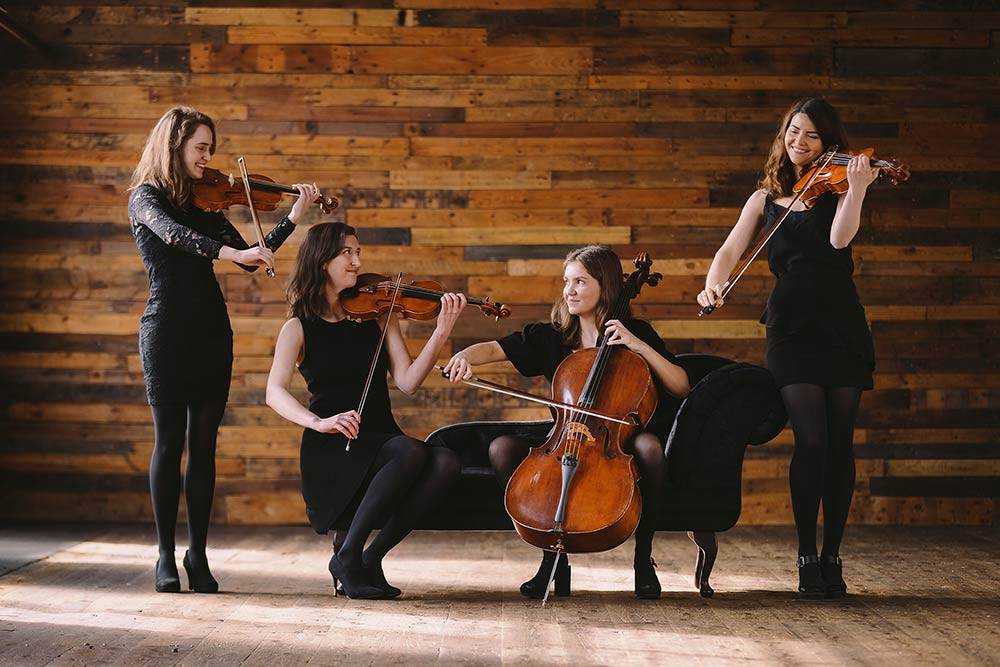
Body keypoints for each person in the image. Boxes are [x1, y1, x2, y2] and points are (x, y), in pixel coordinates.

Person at [129, 105, 318, 593]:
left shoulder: (209, 201)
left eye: (210, 149)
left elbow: (253, 259)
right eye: (200, 148)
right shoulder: (146, 198)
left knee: (205, 445)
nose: (207, 158)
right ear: (174, 146)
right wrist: (232, 252)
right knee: (169, 442)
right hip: (166, 331)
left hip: (212, 330)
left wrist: (292, 218)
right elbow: (176, 235)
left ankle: (198, 553)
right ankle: (164, 555)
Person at [696, 98, 878, 599]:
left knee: (839, 443)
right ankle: (805, 554)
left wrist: (857, 189)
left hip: (841, 325)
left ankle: (832, 554)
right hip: (790, 328)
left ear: (829, 144)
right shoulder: (764, 199)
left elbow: (839, 241)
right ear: (784, 134)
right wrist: (712, 285)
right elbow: (729, 251)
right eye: (794, 131)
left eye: (812, 135)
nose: (800, 142)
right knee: (811, 440)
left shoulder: (838, 187)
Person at [445, 245, 690, 599]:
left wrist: (638, 345)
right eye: (566, 281)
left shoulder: (636, 333)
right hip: (566, 435)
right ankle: (552, 557)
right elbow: (495, 349)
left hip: (620, 439)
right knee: (501, 449)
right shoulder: (553, 336)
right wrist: (464, 357)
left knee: (651, 448)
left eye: (580, 282)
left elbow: (681, 385)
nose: (569, 291)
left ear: (605, 286)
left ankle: (643, 556)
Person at [266, 222, 466, 599]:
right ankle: (348, 557)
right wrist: (319, 422)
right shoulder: (297, 327)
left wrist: (441, 332)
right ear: (321, 260)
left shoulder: (377, 316)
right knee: (409, 450)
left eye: (358, 253)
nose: (358, 262)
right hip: (334, 444)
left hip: (381, 440)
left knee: (446, 462)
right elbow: (274, 392)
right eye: (347, 253)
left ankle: (367, 558)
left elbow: (408, 381)